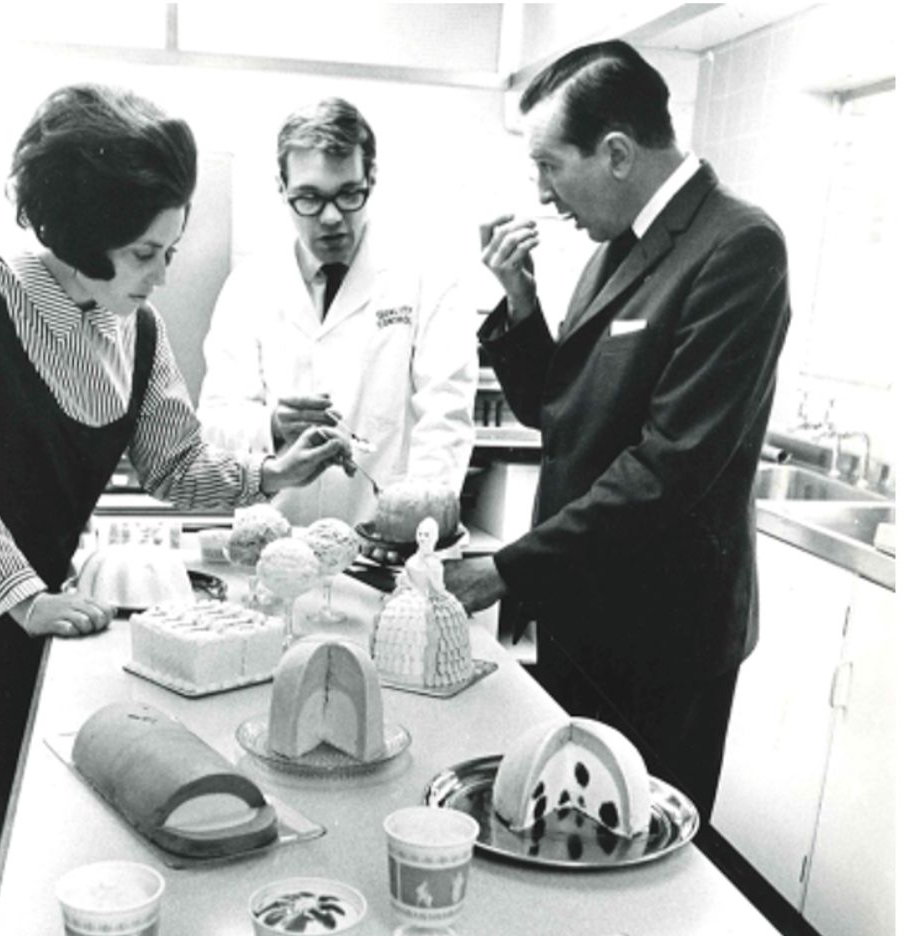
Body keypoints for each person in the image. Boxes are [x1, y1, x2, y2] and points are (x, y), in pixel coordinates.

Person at [0, 84, 348, 936]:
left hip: (38, 602)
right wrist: (24, 594)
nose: (161, 272)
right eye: (146, 254)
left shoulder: (134, 329)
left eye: (168, 250)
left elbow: (178, 464)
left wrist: (269, 471)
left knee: (24, 819)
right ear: (80, 233)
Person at [447, 41, 789, 814]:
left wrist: (509, 568)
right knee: (568, 830)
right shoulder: (619, 245)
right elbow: (558, 410)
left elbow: (669, 466)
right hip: (586, 612)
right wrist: (522, 300)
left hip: (660, 637)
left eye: (548, 165)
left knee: (637, 847)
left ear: (616, 152)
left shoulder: (738, 246)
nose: (541, 194)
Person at [199, 98, 477, 526]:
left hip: (387, 548)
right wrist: (272, 424)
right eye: (308, 198)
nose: (330, 218)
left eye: (348, 194)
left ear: (372, 177)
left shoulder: (426, 276)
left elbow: (444, 418)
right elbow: (216, 424)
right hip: (278, 542)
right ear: (282, 187)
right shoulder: (249, 287)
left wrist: (416, 528)